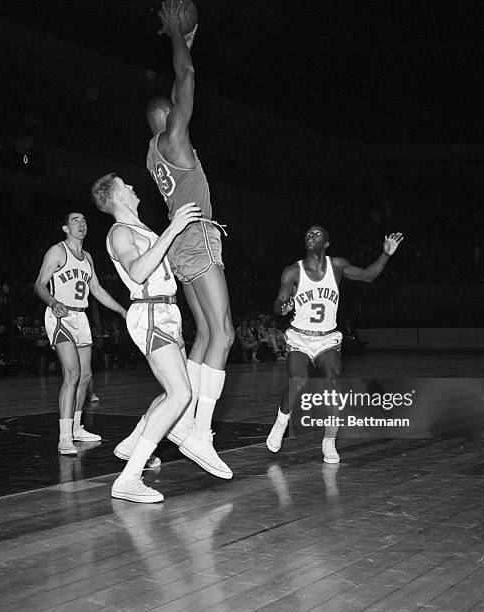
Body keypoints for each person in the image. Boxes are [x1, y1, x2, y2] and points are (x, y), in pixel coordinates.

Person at [144, 0, 235, 478]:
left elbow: (184, 79)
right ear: (169, 115)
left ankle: (181, 423)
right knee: (225, 333)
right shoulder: (175, 137)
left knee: (204, 334)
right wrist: (179, 37)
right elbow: (188, 77)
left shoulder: (151, 154)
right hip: (197, 238)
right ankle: (201, 431)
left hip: (181, 244)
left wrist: (187, 38)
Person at [92, 172, 204, 502]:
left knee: (175, 391)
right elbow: (138, 272)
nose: (132, 187)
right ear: (116, 197)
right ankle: (129, 479)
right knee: (180, 393)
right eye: (125, 185)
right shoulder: (120, 232)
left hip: (166, 311)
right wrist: (173, 230)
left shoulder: (142, 229)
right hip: (150, 311)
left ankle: (131, 442)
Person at [266, 226, 404, 462]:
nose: (311, 235)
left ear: (327, 243)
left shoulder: (337, 266)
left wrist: (386, 254)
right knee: (298, 382)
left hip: (327, 338)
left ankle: (329, 441)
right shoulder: (292, 271)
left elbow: (369, 275)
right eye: (308, 233)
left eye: (317, 234)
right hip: (300, 337)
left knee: (334, 383)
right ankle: (281, 422)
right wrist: (284, 307)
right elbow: (278, 303)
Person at [34, 212, 128, 455]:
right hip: (60, 316)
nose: (81, 224)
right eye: (75, 221)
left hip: (81, 317)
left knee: (85, 377)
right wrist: (53, 302)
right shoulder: (57, 251)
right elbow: (39, 285)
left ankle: (76, 428)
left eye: (84, 221)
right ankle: (64, 437)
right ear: (65, 228)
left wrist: (121, 310)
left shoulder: (87, 257)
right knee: (72, 374)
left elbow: (95, 289)